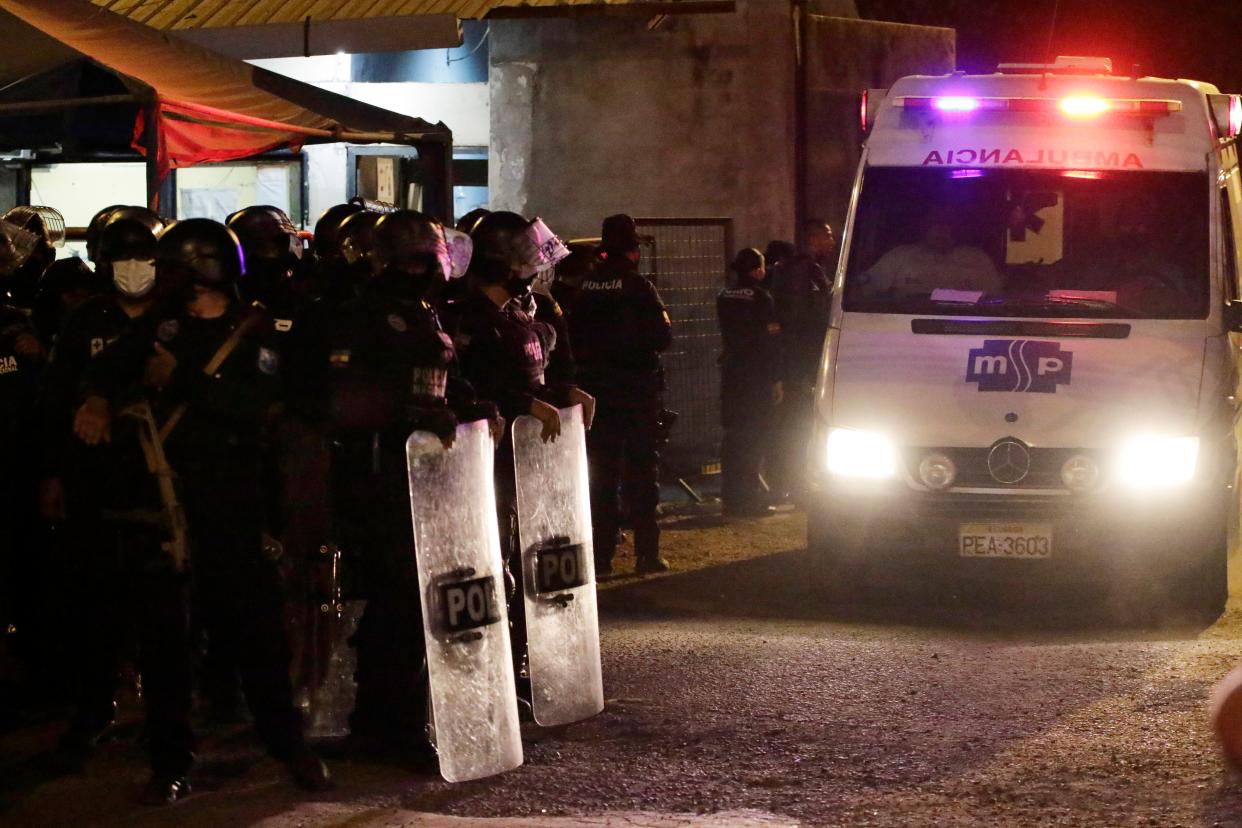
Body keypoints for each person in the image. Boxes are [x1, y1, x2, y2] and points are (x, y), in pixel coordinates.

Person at [75, 218, 329, 801]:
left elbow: (258, 409)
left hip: (234, 503)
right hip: (168, 505)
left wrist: (184, 378)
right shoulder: (160, 328)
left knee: (257, 637)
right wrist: (94, 398)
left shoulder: (260, 332)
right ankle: (170, 760)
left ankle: (288, 745)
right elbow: (106, 367)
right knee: (167, 645)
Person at [40, 216, 195, 794]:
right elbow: (57, 400)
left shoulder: (179, 323)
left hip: (162, 493)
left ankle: (171, 755)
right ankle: (90, 717)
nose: (133, 269)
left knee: (165, 634)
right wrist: (53, 475)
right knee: (93, 616)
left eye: (143, 257)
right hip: (95, 489)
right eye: (120, 258)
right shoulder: (86, 320)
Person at [448, 210, 590, 700]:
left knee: (528, 564)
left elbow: (543, 373)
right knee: (493, 565)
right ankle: (490, 671)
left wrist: (566, 392)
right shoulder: (464, 318)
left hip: (527, 462)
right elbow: (471, 386)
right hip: (483, 464)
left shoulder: (522, 313)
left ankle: (522, 665)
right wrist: (522, 404)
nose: (534, 269)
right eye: (526, 261)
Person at [571, 214, 672, 576]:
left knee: (602, 477)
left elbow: (573, 339)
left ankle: (600, 559)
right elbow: (663, 338)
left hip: (598, 394)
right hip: (636, 393)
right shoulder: (639, 287)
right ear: (632, 249)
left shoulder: (585, 288)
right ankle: (647, 554)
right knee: (642, 474)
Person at [767, 219, 836, 502]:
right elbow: (801, 322)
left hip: (798, 360)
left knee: (797, 422)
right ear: (814, 238)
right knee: (796, 422)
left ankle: (792, 480)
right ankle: (792, 483)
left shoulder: (807, 269)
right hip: (799, 361)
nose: (832, 241)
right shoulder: (802, 271)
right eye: (827, 235)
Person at [717, 248, 783, 517]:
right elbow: (770, 342)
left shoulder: (724, 296)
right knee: (754, 438)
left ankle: (731, 498)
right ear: (757, 270)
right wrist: (777, 379)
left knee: (733, 437)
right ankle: (751, 500)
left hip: (732, 374)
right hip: (756, 377)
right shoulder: (762, 298)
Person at [865, 209, 1000, 299]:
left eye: (947, 224)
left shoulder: (978, 259)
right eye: (935, 223)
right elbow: (865, 289)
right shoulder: (899, 257)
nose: (940, 230)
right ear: (925, 227)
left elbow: (995, 299)